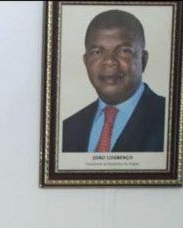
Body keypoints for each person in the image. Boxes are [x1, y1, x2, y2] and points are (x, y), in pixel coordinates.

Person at [61, 9, 166, 153]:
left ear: (143, 60)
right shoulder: (68, 129)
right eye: (97, 52)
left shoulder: (169, 119)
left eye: (123, 51)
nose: (109, 61)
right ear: (86, 62)